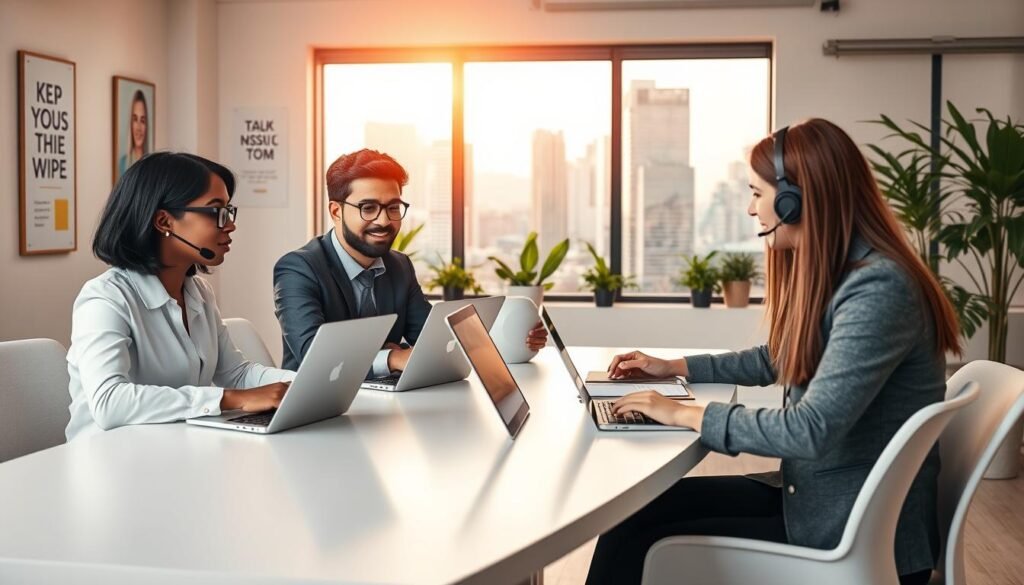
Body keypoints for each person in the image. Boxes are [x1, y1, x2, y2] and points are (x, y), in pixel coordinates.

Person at [586, 119, 961, 585]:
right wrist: (674, 367)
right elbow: (779, 358)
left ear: (795, 202)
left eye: (757, 193)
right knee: (628, 518)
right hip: (822, 500)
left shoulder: (878, 290)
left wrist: (682, 413)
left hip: (849, 536)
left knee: (633, 540)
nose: (750, 208)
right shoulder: (852, 275)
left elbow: (809, 431)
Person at [66, 152, 294, 442]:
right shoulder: (105, 298)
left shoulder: (198, 292)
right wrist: (231, 400)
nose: (230, 225)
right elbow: (109, 402)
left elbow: (235, 373)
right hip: (108, 461)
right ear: (164, 221)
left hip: (172, 452)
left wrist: (306, 385)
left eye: (229, 211)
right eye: (216, 212)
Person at [273, 148, 547, 374]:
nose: (383, 220)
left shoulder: (399, 266)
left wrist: (513, 338)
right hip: (313, 413)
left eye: (393, 207)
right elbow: (314, 356)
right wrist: (391, 358)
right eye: (368, 208)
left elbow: (434, 340)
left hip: (385, 407)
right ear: (336, 211)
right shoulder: (298, 269)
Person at [117, 89, 149, 177]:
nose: (138, 127)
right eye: (135, 119)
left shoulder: (153, 165)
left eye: (142, 120)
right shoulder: (123, 164)